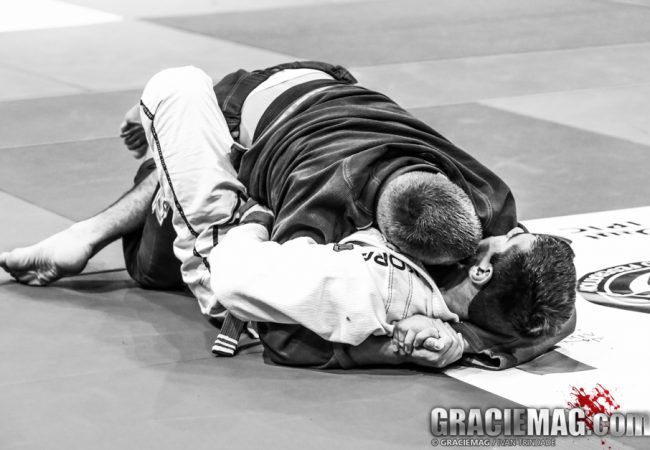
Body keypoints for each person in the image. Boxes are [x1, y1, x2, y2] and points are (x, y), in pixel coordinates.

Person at [0, 62, 576, 369]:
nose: (506, 234)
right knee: (182, 119)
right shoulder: (317, 210)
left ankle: (112, 209)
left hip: (322, 84)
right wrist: (253, 218)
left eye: (505, 242)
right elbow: (281, 330)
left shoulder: (489, 203)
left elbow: (285, 336)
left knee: (177, 119)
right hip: (260, 109)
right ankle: (107, 214)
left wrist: (459, 343)